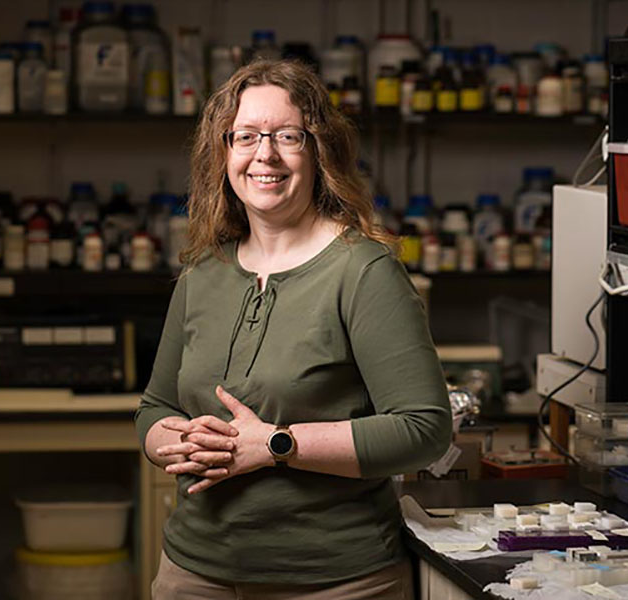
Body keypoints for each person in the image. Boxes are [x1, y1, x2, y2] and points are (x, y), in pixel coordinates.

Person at [135, 59, 452, 599]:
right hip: (193, 570)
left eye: (287, 136)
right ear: (224, 153)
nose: (266, 154)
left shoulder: (363, 271)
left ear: (319, 150)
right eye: (246, 137)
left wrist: (277, 444)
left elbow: (423, 429)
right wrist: (182, 439)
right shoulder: (202, 272)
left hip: (334, 580)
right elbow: (155, 408)